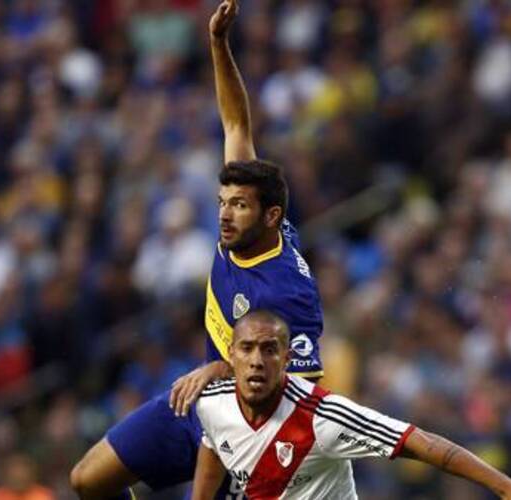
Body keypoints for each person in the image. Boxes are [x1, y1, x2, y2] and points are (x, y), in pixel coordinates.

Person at [70, 1, 324, 498]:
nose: (225, 215)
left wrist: (218, 368)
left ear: (270, 215)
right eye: (222, 203)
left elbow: (299, 387)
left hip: (248, 430)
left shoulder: (288, 291)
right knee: (88, 480)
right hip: (199, 401)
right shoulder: (252, 229)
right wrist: (218, 44)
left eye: (238, 206)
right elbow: (235, 126)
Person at [193, 310, 511, 500]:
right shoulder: (213, 403)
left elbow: (422, 443)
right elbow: (212, 443)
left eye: (269, 350)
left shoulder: (324, 417)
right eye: (247, 349)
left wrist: (504, 487)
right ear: (231, 355)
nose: (257, 360)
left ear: (287, 359)